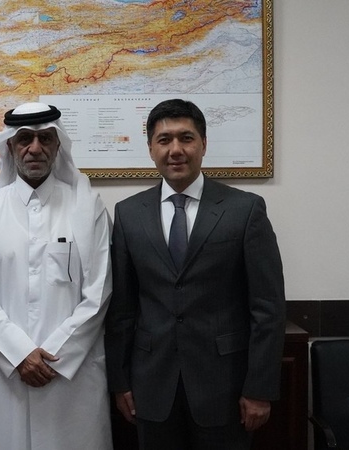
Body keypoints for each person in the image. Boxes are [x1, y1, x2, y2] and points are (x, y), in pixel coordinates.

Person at [105, 99, 286, 449]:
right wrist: (120, 382)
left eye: (186, 138)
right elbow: (122, 310)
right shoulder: (128, 214)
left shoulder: (244, 209)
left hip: (226, 387)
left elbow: (268, 307)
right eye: (164, 140)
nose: (175, 149)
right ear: (150, 149)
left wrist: (259, 389)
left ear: (203, 144)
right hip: (151, 387)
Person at [0, 102, 113, 450]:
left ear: (58, 146)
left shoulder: (88, 207)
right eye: (25, 139)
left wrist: (55, 355)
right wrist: (20, 354)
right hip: (10, 372)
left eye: (45, 139)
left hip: (72, 375)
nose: (35, 148)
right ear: (10, 147)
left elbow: (100, 291)